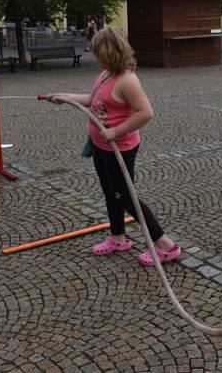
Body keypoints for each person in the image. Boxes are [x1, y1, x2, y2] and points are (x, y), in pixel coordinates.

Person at [49, 27, 182, 266]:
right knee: (112, 193)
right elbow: (92, 100)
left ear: (110, 52)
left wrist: (115, 131)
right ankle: (118, 237)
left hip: (120, 148)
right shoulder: (105, 74)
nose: (94, 54)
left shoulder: (127, 80)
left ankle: (166, 246)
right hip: (101, 146)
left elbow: (146, 113)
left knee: (127, 197)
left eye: (98, 50)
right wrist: (65, 97)